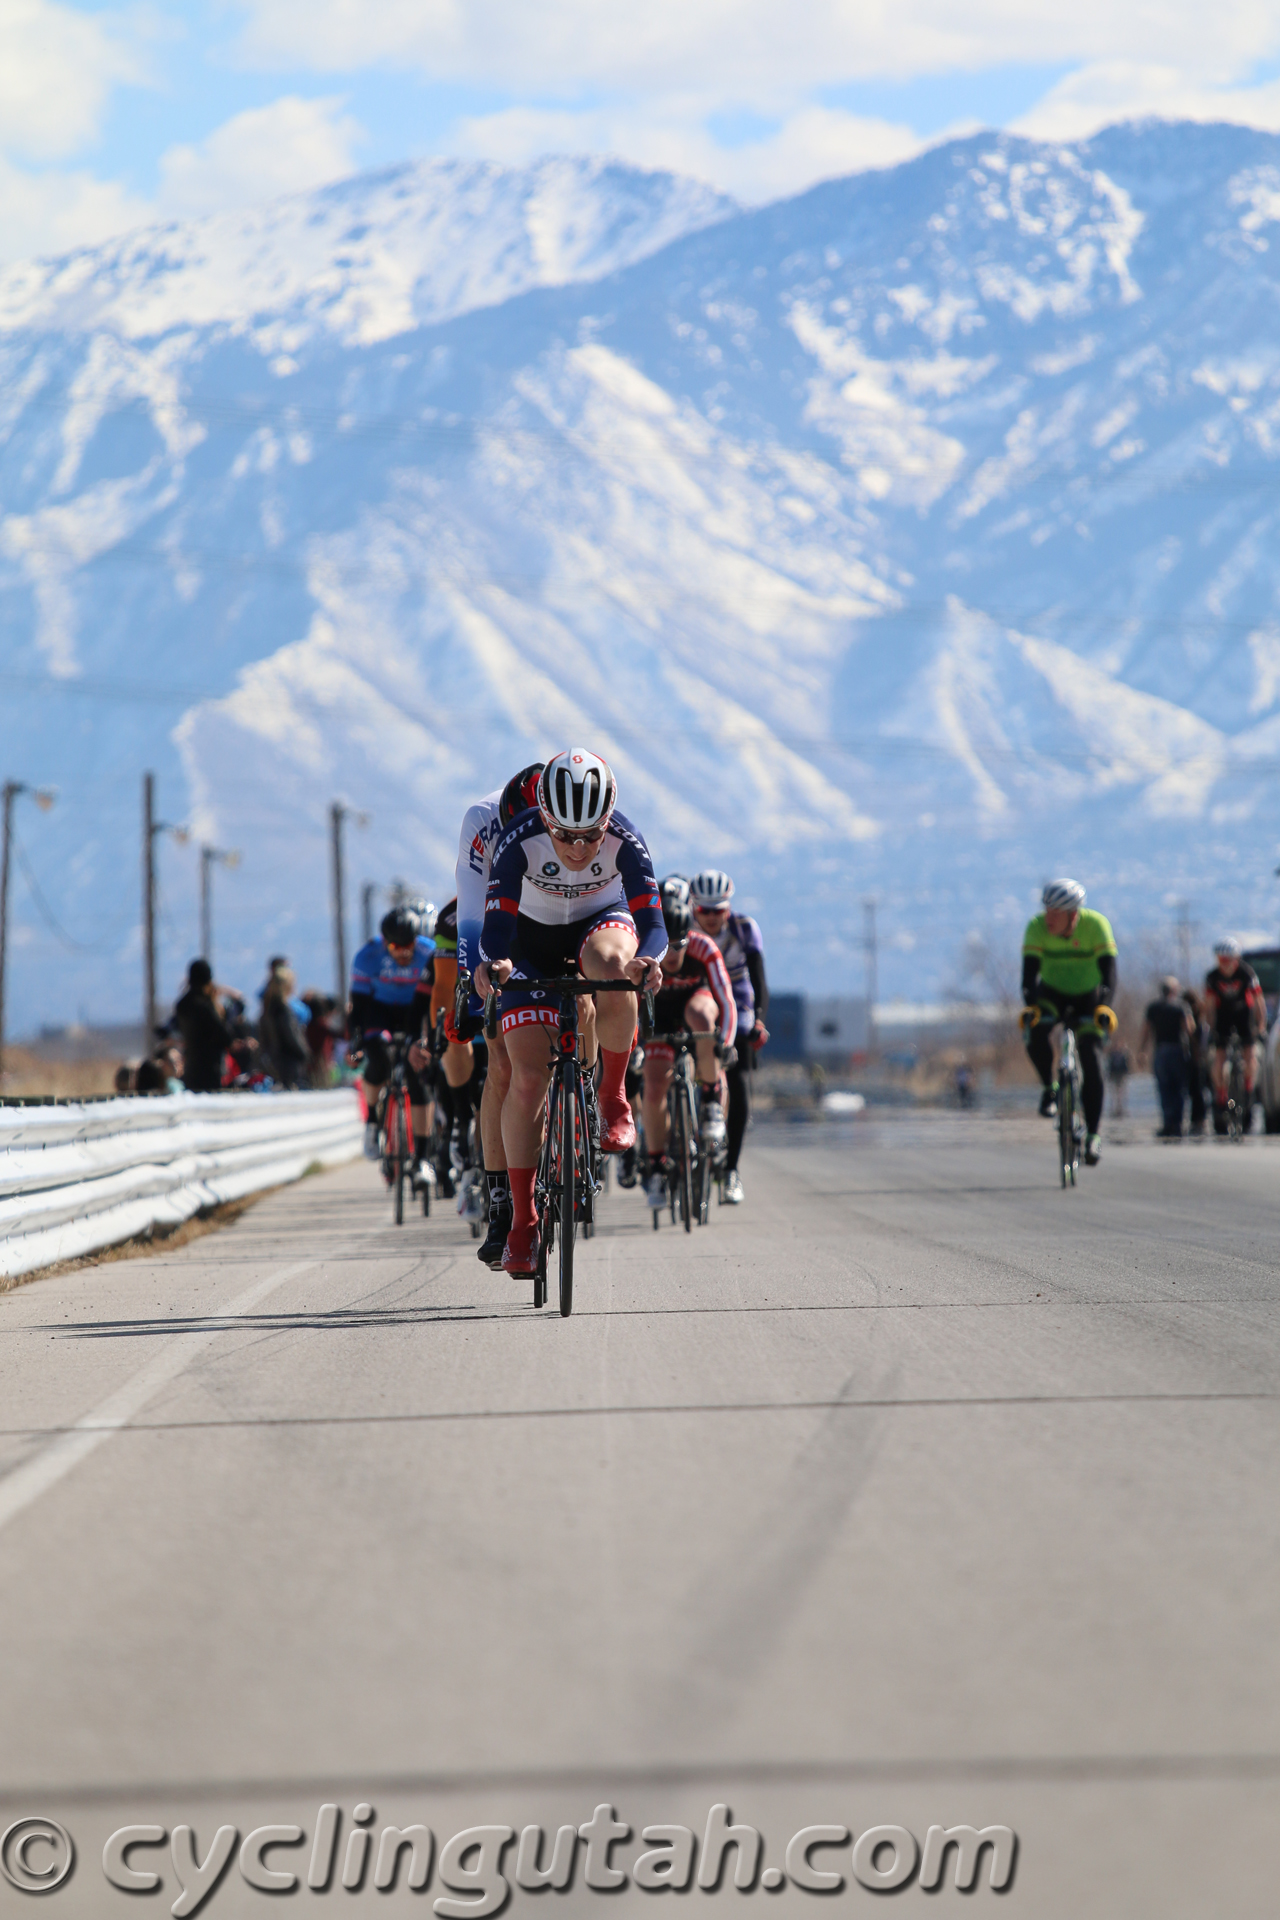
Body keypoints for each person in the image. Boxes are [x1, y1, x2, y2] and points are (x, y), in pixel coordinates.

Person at [476, 749, 666, 1277]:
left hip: (597, 924)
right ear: (544, 818)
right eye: (566, 836)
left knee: (612, 964)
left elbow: (653, 921)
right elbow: (494, 931)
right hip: (527, 942)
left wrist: (649, 960)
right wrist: (494, 965)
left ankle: (611, 1095)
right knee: (528, 1079)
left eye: (591, 835)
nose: (580, 848)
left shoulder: (626, 840)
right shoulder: (517, 841)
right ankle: (522, 1219)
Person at [454, 762, 544, 1268]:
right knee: (502, 1061)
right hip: (504, 922)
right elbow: (472, 916)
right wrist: (474, 992)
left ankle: (589, 1098)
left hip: (565, 915)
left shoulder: (580, 812)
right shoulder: (482, 821)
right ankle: (501, 1203)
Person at [639, 877, 737, 1208]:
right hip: (659, 1021)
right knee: (653, 1087)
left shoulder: (704, 948)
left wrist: (726, 1040)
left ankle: (709, 1101)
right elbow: (627, 1007)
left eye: (679, 946)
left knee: (702, 1017)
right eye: (666, 948)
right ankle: (655, 1166)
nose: (673, 956)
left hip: (696, 1011)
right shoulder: (643, 953)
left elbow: (727, 1000)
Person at [1020, 879, 1118, 1167]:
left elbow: (1110, 973)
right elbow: (1028, 977)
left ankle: (1094, 1136)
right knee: (1035, 1032)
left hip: (1089, 997)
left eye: (1056, 913)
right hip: (1051, 995)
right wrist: (1030, 1008)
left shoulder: (1096, 926)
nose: (1048, 918)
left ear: (1073, 914)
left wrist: (1105, 1008)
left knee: (1091, 1056)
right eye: (1047, 910)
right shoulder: (1035, 927)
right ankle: (1050, 1088)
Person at [688, 869, 768, 1204]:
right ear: (693, 907)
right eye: (703, 911)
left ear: (728, 908)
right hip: (700, 996)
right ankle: (693, 1112)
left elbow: (759, 979)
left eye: (717, 910)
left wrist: (759, 1021)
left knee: (737, 1077)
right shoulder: (683, 927)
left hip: (738, 1000)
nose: (710, 917)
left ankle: (731, 1170)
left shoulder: (744, 929)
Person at [347, 906, 435, 1167]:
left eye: (409, 946)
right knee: (378, 1061)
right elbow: (358, 1008)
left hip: (415, 1010)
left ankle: (421, 1157)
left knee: (417, 1075)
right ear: (385, 943)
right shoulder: (367, 956)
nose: (404, 954)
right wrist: (356, 1046)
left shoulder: (428, 952)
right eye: (396, 948)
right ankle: (372, 1121)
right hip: (380, 1011)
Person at [1203, 937, 1266, 1134]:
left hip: (1243, 1017)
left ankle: (1247, 1091)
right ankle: (1221, 1096)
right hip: (1223, 1018)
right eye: (1221, 960)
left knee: (1250, 1057)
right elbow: (1209, 1006)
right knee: (1219, 1058)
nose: (1225, 965)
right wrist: (1210, 1029)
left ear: (1235, 960)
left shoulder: (1246, 973)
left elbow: (1258, 1001)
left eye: (1228, 961)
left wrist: (1261, 1026)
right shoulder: (1212, 977)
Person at [1138, 977, 1192, 1138]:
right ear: (1174, 991)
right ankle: (1178, 1124)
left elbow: (1146, 1030)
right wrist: (1195, 1050)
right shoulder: (1181, 1006)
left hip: (1160, 1050)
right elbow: (1189, 1028)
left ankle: (1168, 1124)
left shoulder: (1153, 1008)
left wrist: (1142, 1050)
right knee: (1179, 1089)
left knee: (1164, 1088)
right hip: (1178, 1050)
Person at [174, 959, 237, 1093]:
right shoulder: (204, 1006)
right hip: (209, 1067)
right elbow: (224, 1036)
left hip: (190, 1065)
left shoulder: (182, 1004)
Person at [260, 961, 310, 1089]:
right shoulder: (283, 1010)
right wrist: (304, 1053)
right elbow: (291, 1037)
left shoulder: (268, 1007)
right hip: (289, 1064)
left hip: (274, 1062)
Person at [1183, 987, 1210, 1136]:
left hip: (1198, 1060)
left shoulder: (1198, 1020)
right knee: (1196, 1091)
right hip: (1199, 1059)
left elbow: (1196, 1040)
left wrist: (1198, 1056)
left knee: (1197, 1091)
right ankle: (1197, 1119)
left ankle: (1200, 1120)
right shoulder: (1199, 1018)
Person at [1105, 1039, 1131, 1118]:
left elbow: (1126, 1066)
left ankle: (1120, 1109)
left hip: (1121, 1076)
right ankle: (1114, 1110)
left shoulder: (1123, 1055)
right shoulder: (1111, 1055)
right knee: (1114, 1094)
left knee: (1121, 1093)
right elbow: (1110, 1066)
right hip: (1114, 1076)